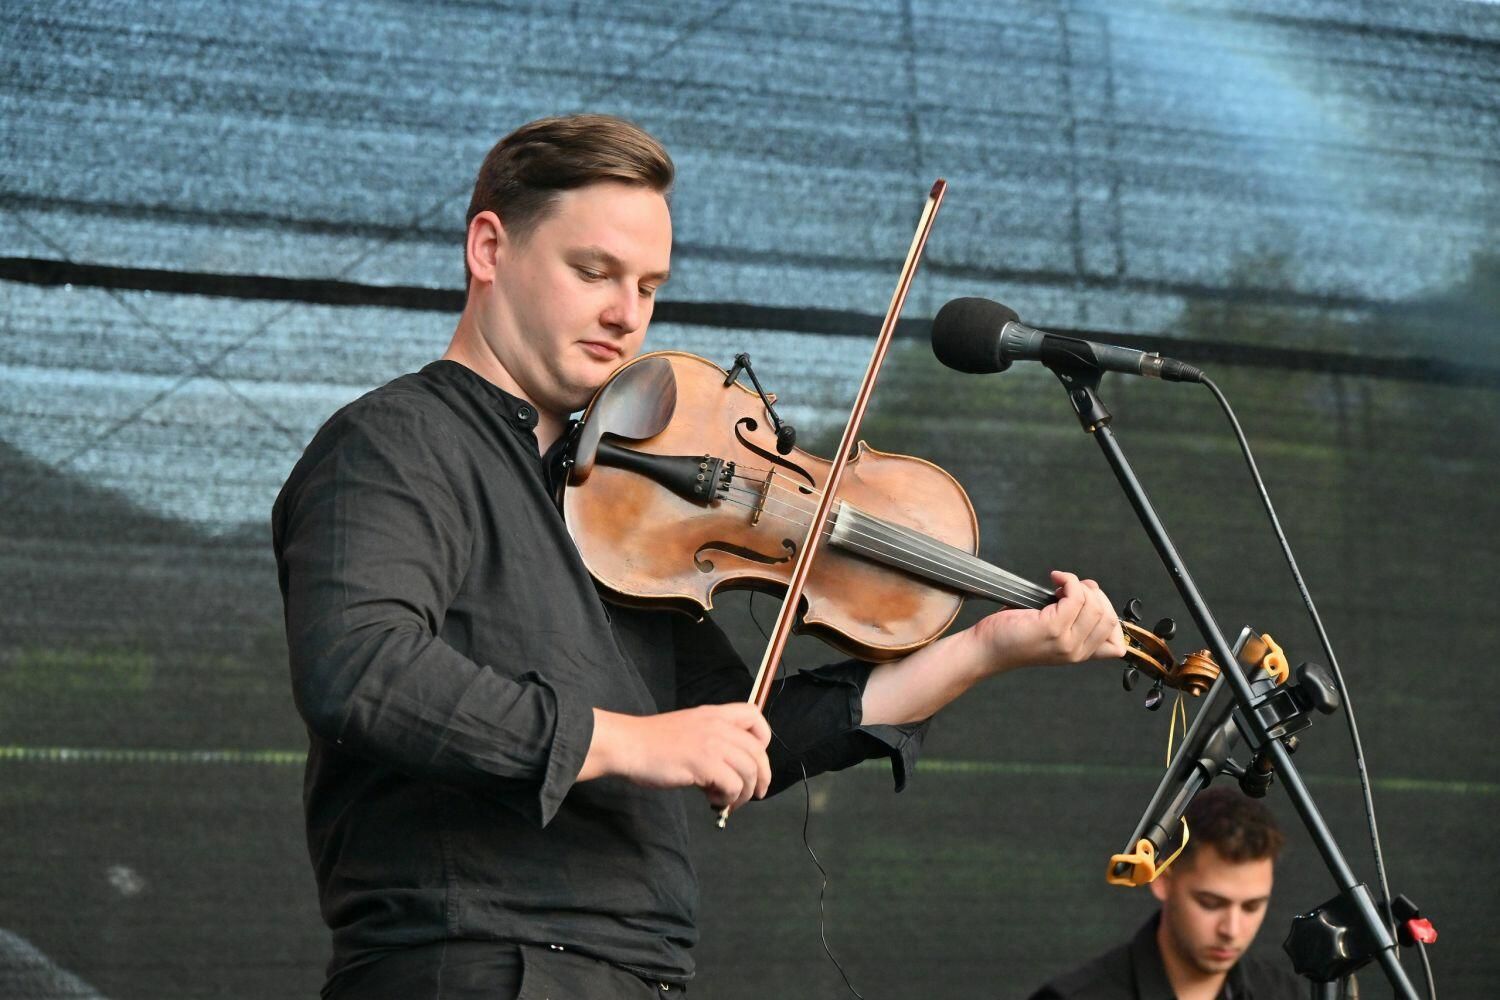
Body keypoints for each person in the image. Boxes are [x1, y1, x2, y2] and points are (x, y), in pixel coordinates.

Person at [272, 113, 1129, 998]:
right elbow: (360, 670)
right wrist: (634, 741)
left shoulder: (619, 508)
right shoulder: (397, 441)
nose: (626, 314)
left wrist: (984, 649)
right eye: (593, 271)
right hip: (479, 967)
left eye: (648, 286)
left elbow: (744, 734)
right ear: (489, 248)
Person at [1028, 787, 1303, 1000]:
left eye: (1252, 907)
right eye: (1210, 903)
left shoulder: (1284, 995)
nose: (1231, 930)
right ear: (1161, 880)